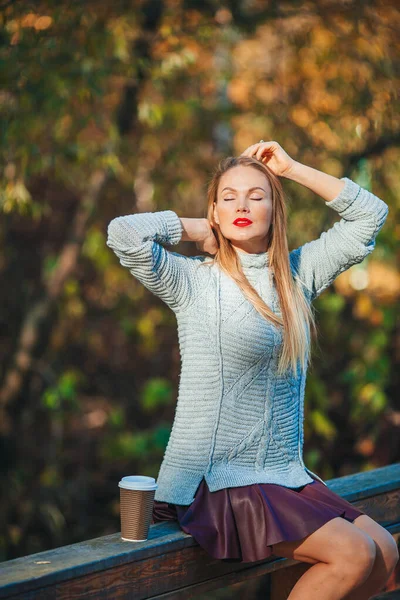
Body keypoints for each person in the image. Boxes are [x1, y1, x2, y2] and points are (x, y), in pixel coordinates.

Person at [106, 141, 398, 599]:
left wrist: (293, 168)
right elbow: (123, 234)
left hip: (281, 474)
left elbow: (370, 215)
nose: (242, 204)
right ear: (216, 210)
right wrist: (203, 229)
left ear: (274, 211)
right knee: (353, 554)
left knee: (384, 553)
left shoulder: (298, 276)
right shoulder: (193, 282)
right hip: (214, 480)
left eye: (257, 196)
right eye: (229, 197)